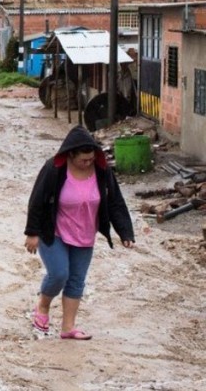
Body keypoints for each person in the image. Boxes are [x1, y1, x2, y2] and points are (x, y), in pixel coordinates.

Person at [25, 126, 135, 340]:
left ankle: (68, 328)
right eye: (83, 160)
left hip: (84, 234)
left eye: (91, 159)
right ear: (71, 155)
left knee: (76, 280)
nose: (88, 163)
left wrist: (125, 232)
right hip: (53, 231)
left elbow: (115, 202)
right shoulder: (54, 169)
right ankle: (43, 307)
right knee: (59, 273)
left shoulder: (102, 172)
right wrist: (32, 232)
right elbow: (37, 201)